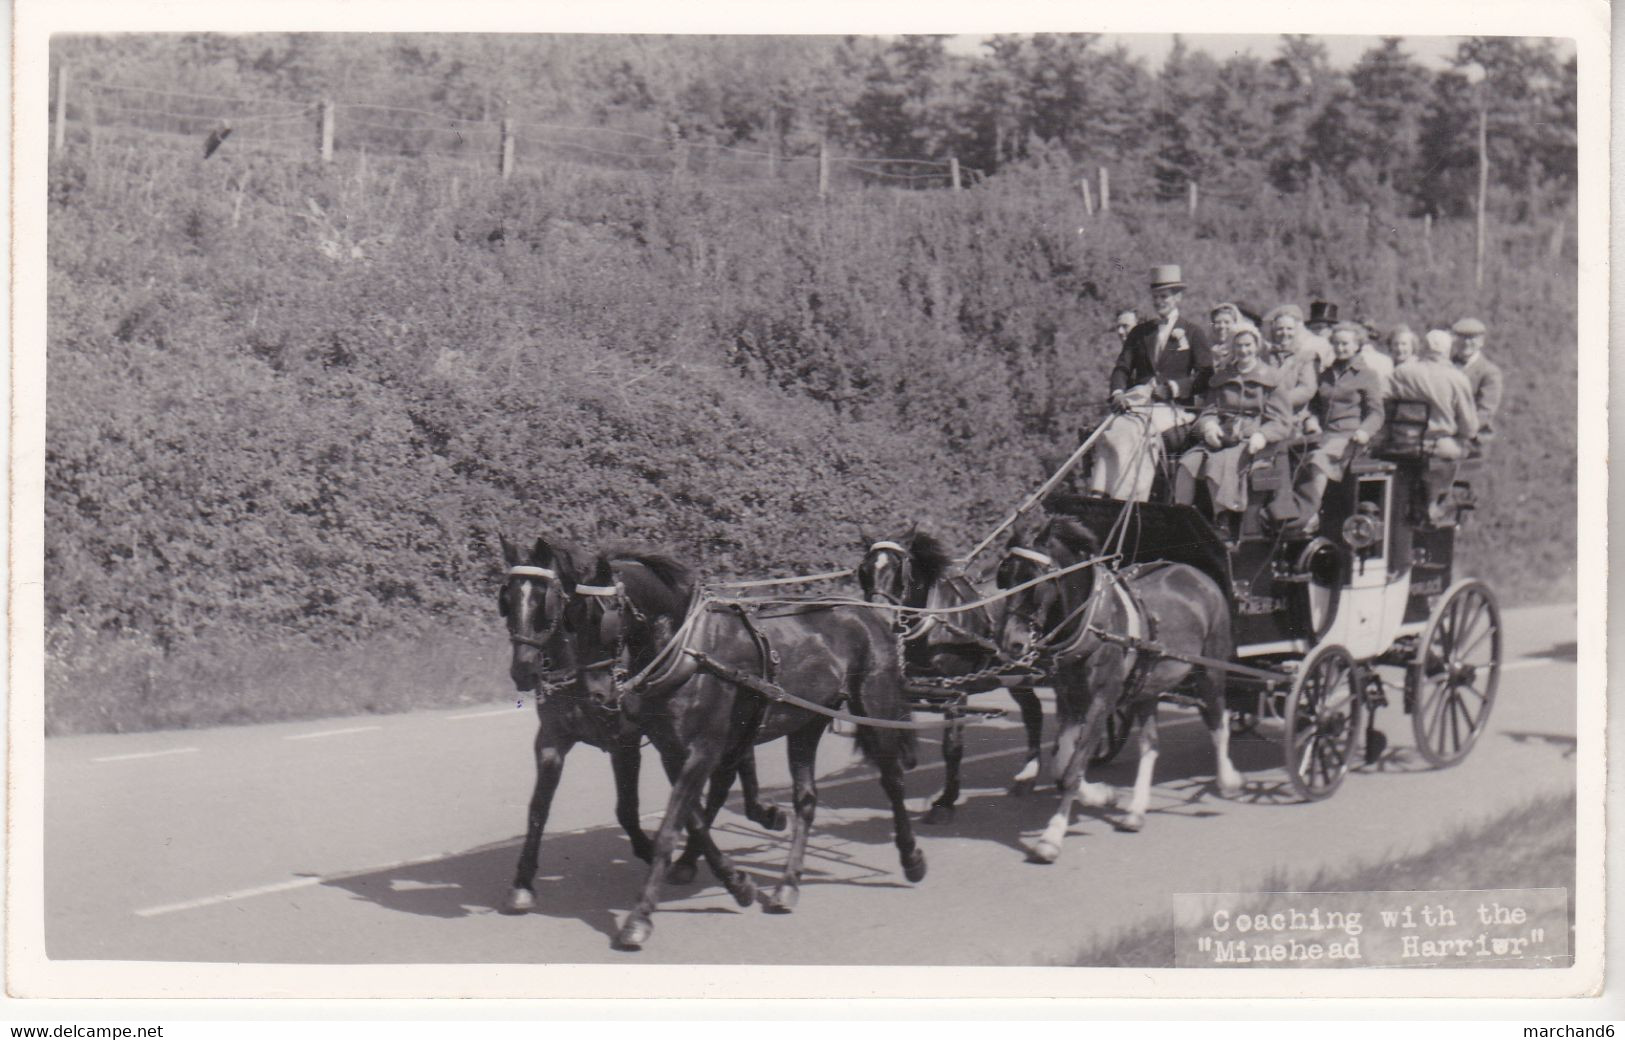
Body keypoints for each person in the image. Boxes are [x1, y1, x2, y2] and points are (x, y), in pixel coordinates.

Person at [1088, 265, 1213, 501]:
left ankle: (1132, 497)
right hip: (1139, 404)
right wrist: (1117, 393)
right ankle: (1099, 491)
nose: (1159, 302)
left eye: (1164, 296)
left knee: (1136, 434)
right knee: (1111, 431)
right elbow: (1122, 368)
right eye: (1156, 297)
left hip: (1174, 409)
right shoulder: (1140, 333)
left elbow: (1205, 375)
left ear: (1178, 297)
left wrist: (1174, 388)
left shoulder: (1193, 332)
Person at [1266, 322, 1386, 533]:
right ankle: (1281, 510)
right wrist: (1311, 420)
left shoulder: (1367, 375)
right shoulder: (1327, 373)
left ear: (1357, 345)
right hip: (1324, 434)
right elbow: (1314, 405)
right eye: (1337, 344)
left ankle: (1308, 516)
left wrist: (1364, 431)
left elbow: (1376, 413)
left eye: (1345, 344)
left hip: (1350, 438)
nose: (1341, 348)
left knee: (1318, 460)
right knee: (1287, 449)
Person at [1174, 324, 1292, 516]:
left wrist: (1262, 435)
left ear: (1257, 345)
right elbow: (1210, 410)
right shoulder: (1223, 377)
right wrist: (1209, 427)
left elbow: (1282, 420)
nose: (1243, 350)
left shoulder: (1272, 378)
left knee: (1216, 464)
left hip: (1251, 441)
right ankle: (1182, 516)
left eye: (1248, 345)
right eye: (1238, 345)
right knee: (1187, 463)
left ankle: (1223, 520)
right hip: (1222, 437)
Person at [1388, 330, 1479, 459]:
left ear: (1424, 348)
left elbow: (1385, 402)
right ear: (1448, 350)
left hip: (1403, 442)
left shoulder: (1401, 372)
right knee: (1466, 448)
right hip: (1439, 446)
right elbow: (1469, 428)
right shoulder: (1457, 378)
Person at [1261, 304, 1324, 416]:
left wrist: (1276, 402)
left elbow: (1306, 390)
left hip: (1293, 416)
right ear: (1273, 331)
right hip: (1264, 413)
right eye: (1280, 329)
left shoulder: (1307, 356)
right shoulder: (1264, 356)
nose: (1285, 333)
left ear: (1297, 331)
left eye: (1289, 329)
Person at [1452, 317, 1504, 439]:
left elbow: (1485, 411)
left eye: (1472, 338)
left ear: (1481, 341)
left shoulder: (1489, 372)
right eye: (1462, 337)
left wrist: (1459, 430)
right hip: (1444, 433)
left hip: (1474, 438)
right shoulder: (1446, 365)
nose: (1466, 342)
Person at [1209, 302, 1241, 368]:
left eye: (1227, 322)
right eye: (1217, 322)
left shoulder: (1242, 350)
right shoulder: (1207, 351)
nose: (1222, 326)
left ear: (1235, 323)